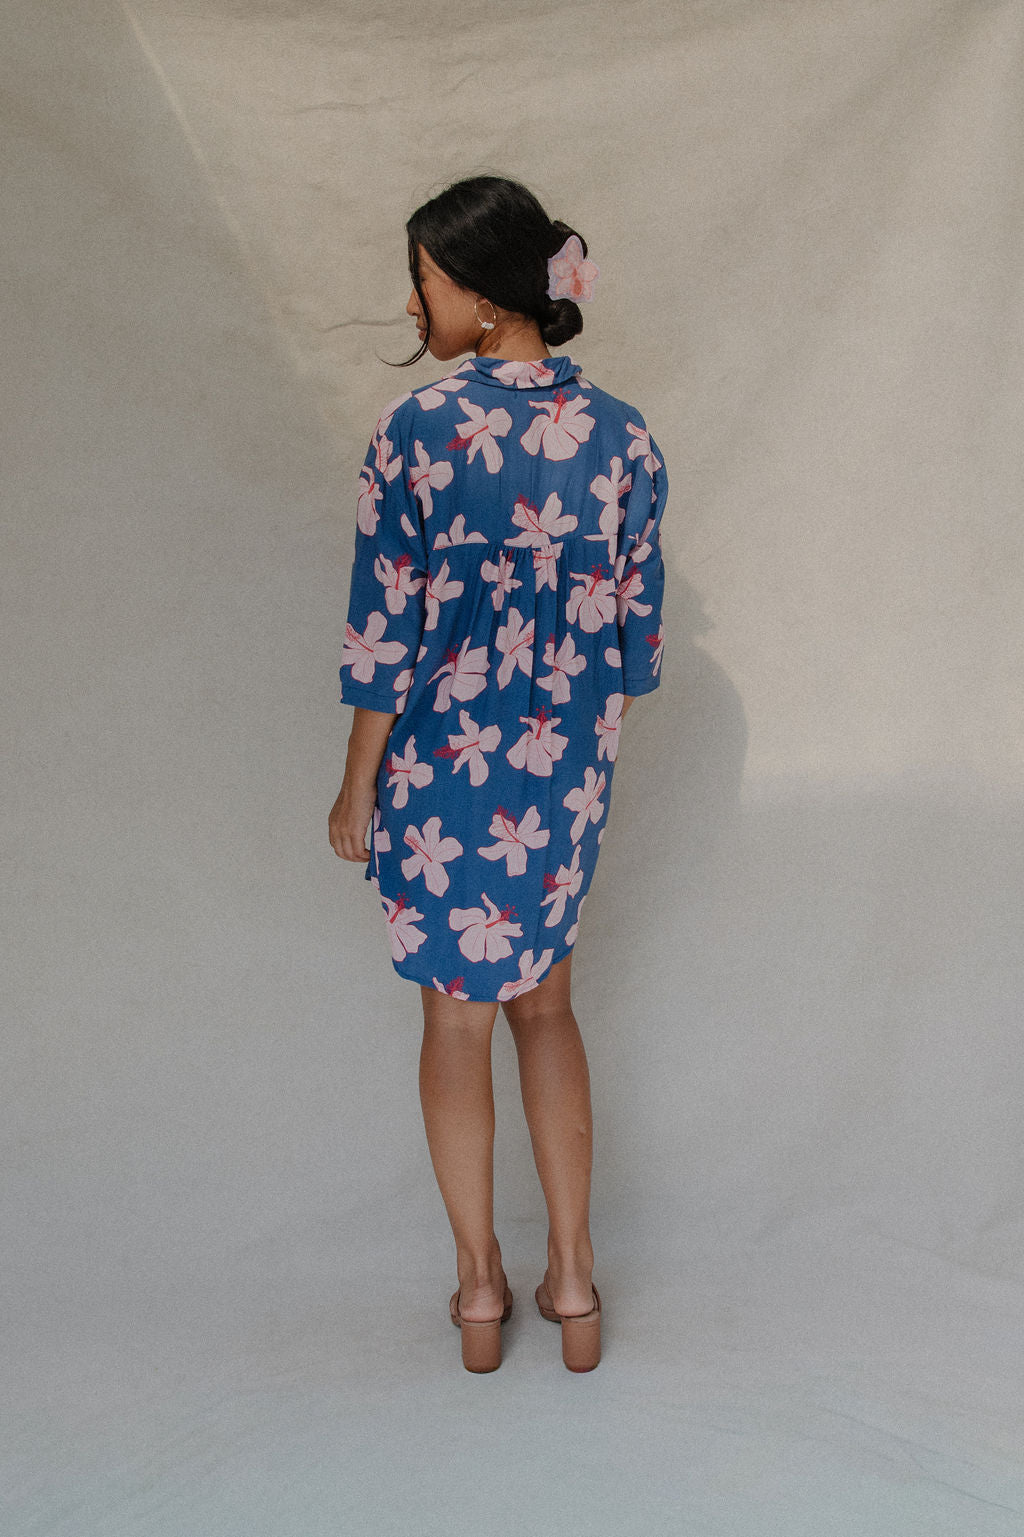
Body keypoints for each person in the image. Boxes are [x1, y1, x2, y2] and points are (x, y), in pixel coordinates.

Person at [329, 176, 667, 1372]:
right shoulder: (626, 438)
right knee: (549, 1006)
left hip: (438, 775)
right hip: (563, 773)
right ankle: (571, 1277)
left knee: (453, 1022)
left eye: (421, 280)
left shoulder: (413, 436)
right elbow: (635, 650)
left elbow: (384, 634)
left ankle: (480, 1287)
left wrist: (357, 783)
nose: (412, 304)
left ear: (477, 293)